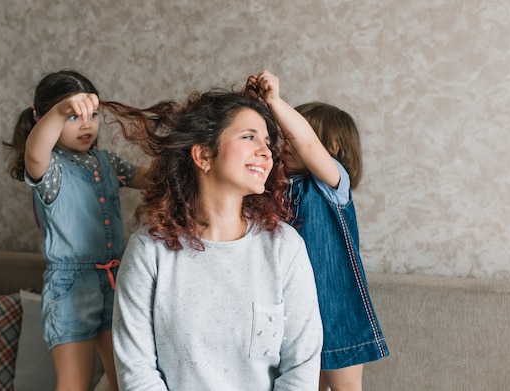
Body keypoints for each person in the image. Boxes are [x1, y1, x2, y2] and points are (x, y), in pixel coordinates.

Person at [109, 88, 323, 390]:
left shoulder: (285, 247)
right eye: (249, 137)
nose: (266, 152)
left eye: (267, 143)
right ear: (203, 154)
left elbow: (301, 368)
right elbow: (136, 372)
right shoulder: (148, 250)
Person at [3, 70, 148, 391]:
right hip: (70, 288)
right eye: (73, 117)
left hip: (114, 281)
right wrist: (60, 110)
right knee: (74, 385)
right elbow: (34, 153)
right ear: (41, 116)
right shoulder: (49, 166)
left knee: (125, 381)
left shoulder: (106, 162)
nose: (86, 124)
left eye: (92, 115)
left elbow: (150, 179)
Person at [248, 70, 389, 391]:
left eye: (293, 132)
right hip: (291, 306)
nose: (287, 141)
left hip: (335, 304)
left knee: (344, 387)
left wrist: (274, 101)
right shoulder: (276, 185)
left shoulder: (332, 183)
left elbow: (309, 146)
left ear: (334, 147)